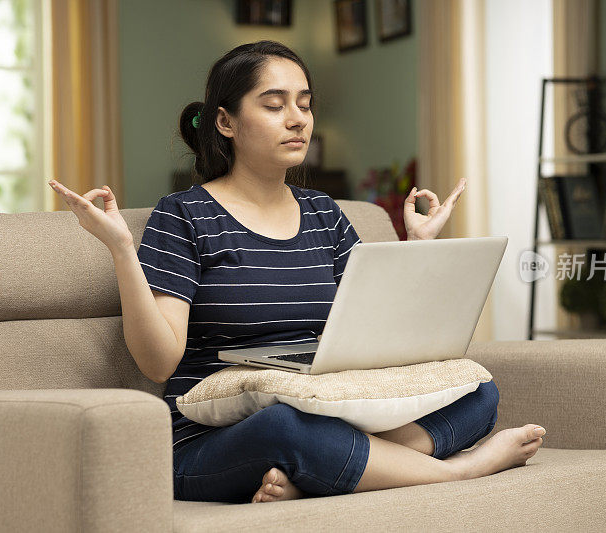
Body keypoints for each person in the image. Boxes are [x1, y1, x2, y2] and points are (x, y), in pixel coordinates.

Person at [48, 40, 546, 505]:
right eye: (274, 104)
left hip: (330, 412)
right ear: (226, 121)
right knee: (283, 427)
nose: (297, 120)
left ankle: (334, 468)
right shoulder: (184, 215)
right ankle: (459, 471)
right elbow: (158, 364)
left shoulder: (324, 213)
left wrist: (417, 247)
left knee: (478, 391)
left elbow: (378, 333)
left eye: (304, 104)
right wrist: (120, 249)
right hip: (214, 440)